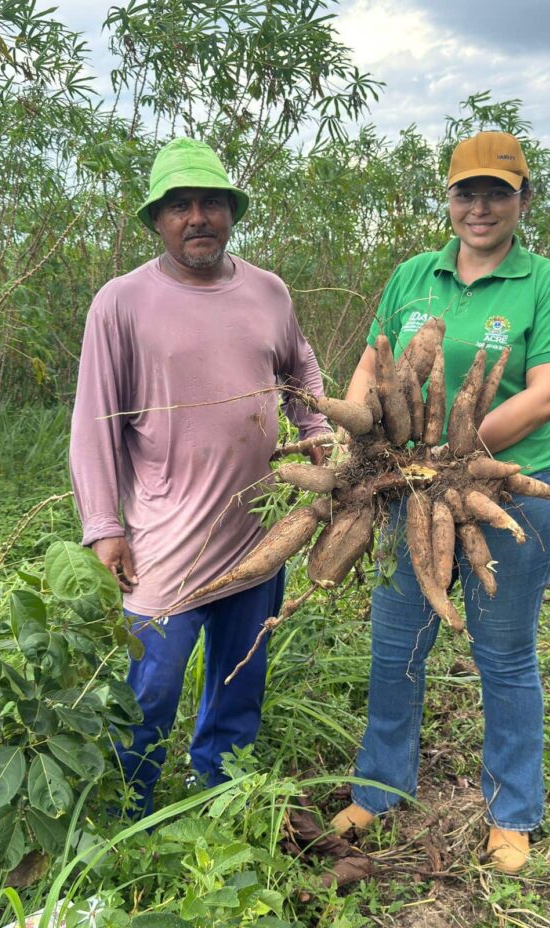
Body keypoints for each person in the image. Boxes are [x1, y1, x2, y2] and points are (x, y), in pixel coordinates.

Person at [330, 131, 550, 873]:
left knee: (504, 654)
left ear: (523, 200)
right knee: (396, 644)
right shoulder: (414, 275)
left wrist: (460, 453)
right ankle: (378, 791)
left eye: (497, 192)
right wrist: (359, 449)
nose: (480, 207)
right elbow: (371, 364)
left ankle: (513, 812)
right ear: (447, 199)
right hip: (405, 489)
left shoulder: (549, 283)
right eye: (465, 192)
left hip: (509, 490)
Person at [69, 138, 330, 815]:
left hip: (257, 532)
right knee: (151, 688)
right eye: (180, 206)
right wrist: (103, 527)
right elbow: (95, 420)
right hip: (163, 534)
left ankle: (223, 789)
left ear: (231, 213)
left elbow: (298, 366)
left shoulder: (268, 291)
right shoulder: (121, 302)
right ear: (157, 220)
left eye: (211, 203)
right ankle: (131, 808)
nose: (197, 218)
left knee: (241, 678)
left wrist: (316, 429)